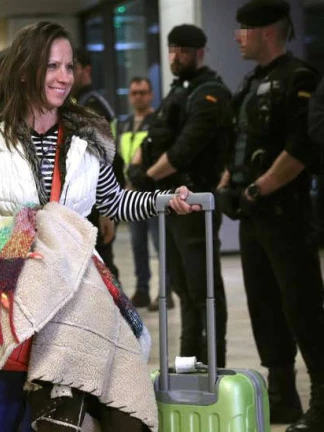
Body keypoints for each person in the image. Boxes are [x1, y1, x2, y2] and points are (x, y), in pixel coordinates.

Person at [0, 21, 200, 432]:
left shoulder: (89, 135)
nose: (64, 77)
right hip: (8, 279)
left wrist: (165, 202)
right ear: (26, 71)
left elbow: (113, 201)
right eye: (52, 66)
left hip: (72, 277)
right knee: (5, 386)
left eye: (69, 66)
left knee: (69, 389)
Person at [220, 1, 324, 429]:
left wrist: (258, 188)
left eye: (243, 29)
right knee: (264, 306)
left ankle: (322, 400)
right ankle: (283, 397)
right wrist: (229, 184)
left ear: (267, 32)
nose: (237, 37)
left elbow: (301, 148)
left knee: (302, 306)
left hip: (286, 215)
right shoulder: (251, 81)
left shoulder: (299, 79)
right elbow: (240, 142)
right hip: (253, 215)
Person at [128, 24, 232, 370]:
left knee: (205, 291)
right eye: (172, 50)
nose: (175, 57)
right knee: (184, 291)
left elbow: (184, 149)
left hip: (196, 203)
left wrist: (146, 177)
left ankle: (214, 365)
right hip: (172, 205)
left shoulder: (209, 93)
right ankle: (189, 364)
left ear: (200, 53)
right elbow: (155, 136)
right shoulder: (179, 91)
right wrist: (139, 166)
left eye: (182, 51)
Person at [117, 77, 172, 311]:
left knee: (160, 245)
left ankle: (165, 292)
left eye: (143, 92)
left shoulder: (158, 122)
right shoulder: (123, 124)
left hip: (153, 192)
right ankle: (142, 290)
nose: (138, 97)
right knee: (137, 245)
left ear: (151, 95)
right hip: (131, 194)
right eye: (134, 93)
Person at [71, 47, 125, 281]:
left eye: (72, 68)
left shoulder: (93, 106)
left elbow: (107, 159)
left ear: (86, 70)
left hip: (98, 201)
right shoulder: (77, 103)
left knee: (103, 268)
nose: (66, 74)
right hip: (87, 201)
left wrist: (106, 209)